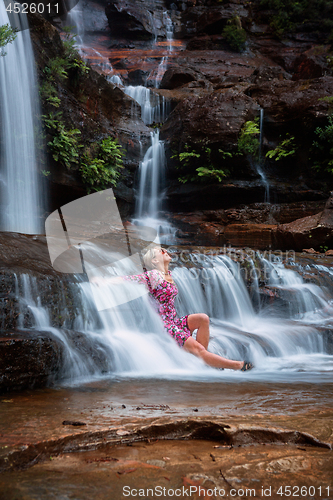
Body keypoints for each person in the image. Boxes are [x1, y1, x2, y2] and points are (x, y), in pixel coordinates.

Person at [92, 246, 254, 371]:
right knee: (197, 348)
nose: (165, 251)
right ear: (154, 261)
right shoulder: (153, 275)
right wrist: (105, 281)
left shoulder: (168, 274)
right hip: (165, 327)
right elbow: (130, 279)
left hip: (174, 322)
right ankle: (236, 366)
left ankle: (202, 359)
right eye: (160, 252)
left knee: (203, 319)